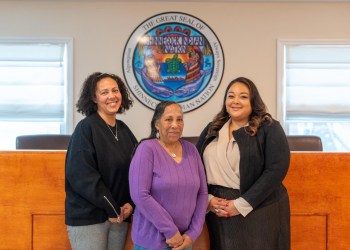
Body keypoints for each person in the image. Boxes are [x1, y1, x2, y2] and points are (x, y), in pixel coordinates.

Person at [196, 77, 291, 250]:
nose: (235, 101)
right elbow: (194, 168)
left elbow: (276, 169)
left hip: (259, 211)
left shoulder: (269, 128)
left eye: (243, 96)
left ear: (253, 101)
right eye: (231, 96)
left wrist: (241, 205)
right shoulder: (212, 128)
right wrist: (208, 200)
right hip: (219, 212)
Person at [65, 72, 138, 250]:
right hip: (90, 217)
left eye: (115, 90)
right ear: (94, 98)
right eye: (104, 92)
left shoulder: (124, 130)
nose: (112, 96)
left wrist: (131, 203)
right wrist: (111, 207)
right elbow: (82, 176)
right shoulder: (86, 128)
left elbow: (138, 170)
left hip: (119, 215)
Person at [129, 101, 208, 250]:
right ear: (156, 124)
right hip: (151, 242)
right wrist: (170, 232)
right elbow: (139, 194)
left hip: (184, 241)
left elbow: (203, 193)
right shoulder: (146, 149)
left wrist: (193, 233)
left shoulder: (191, 150)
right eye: (168, 119)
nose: (175, 125)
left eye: (179, 119)